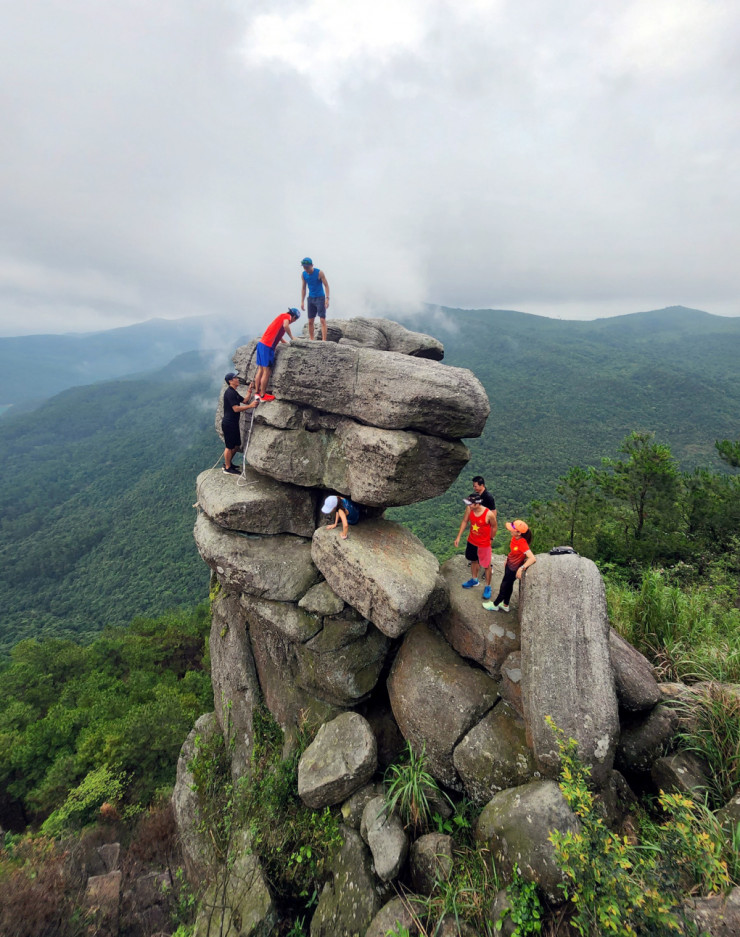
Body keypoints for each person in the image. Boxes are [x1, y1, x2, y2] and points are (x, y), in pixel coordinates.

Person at [454, 477, 498, 599]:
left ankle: (488, 586)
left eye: (470, 503)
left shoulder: (488, 514)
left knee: (486, 565)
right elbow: (464, 521)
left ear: (477, 503)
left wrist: (491, 539)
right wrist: (458, 537)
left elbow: (494, 527)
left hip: (484, 543)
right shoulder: (470, 509)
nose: (468, 506)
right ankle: (474, 579)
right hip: (472, 540)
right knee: (473, 560)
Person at [483, 519, 536, 612]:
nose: (510, 530)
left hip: (513, 569)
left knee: (504, 586)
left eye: (512, 529)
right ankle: (505, 604)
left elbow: (532, 558)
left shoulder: (522, 543)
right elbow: (514, 551)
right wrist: (507, 558)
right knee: (509, 585)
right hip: (509, 565)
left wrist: (521, 568)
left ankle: (495, 605)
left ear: (519, 533)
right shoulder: (515, 538)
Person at [254, 308, 300, 400]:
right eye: (295, 320)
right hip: (267, 346)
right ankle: (263, 395)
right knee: (266, 371)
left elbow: (278, 334)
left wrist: (284, 341)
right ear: (294, 317)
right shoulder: (286, 316)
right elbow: (286, 325)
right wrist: (292, 337)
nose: (293, 322)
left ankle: (257, 393)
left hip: (261, 344)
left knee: (260, 370)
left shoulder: (280, 317)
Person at [221, 373, 260, 475]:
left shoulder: (234, 392)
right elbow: (236, 408)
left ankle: (228, 463)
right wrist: (251, 406)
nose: (237, 379)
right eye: (235, 378)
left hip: (233, 423)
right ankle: (227, 468)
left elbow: (245, 400)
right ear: (230, 381)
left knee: (237, 445)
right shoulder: (229, 393)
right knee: (229, 446)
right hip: (228, 424)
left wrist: (250, 389)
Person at [300, 257, 330, 341]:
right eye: (304, 267)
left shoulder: (319, 273)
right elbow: (303, 288)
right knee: (310, 321)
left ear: (312, 265)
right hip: (311, 298)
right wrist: (302, 301)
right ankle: (312, 339)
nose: (306, 269)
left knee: (322, 319)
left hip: (320, 298)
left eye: (307, 267)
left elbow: (326, 285)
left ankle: (324, 341)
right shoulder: (304, 274)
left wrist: (327, 298)